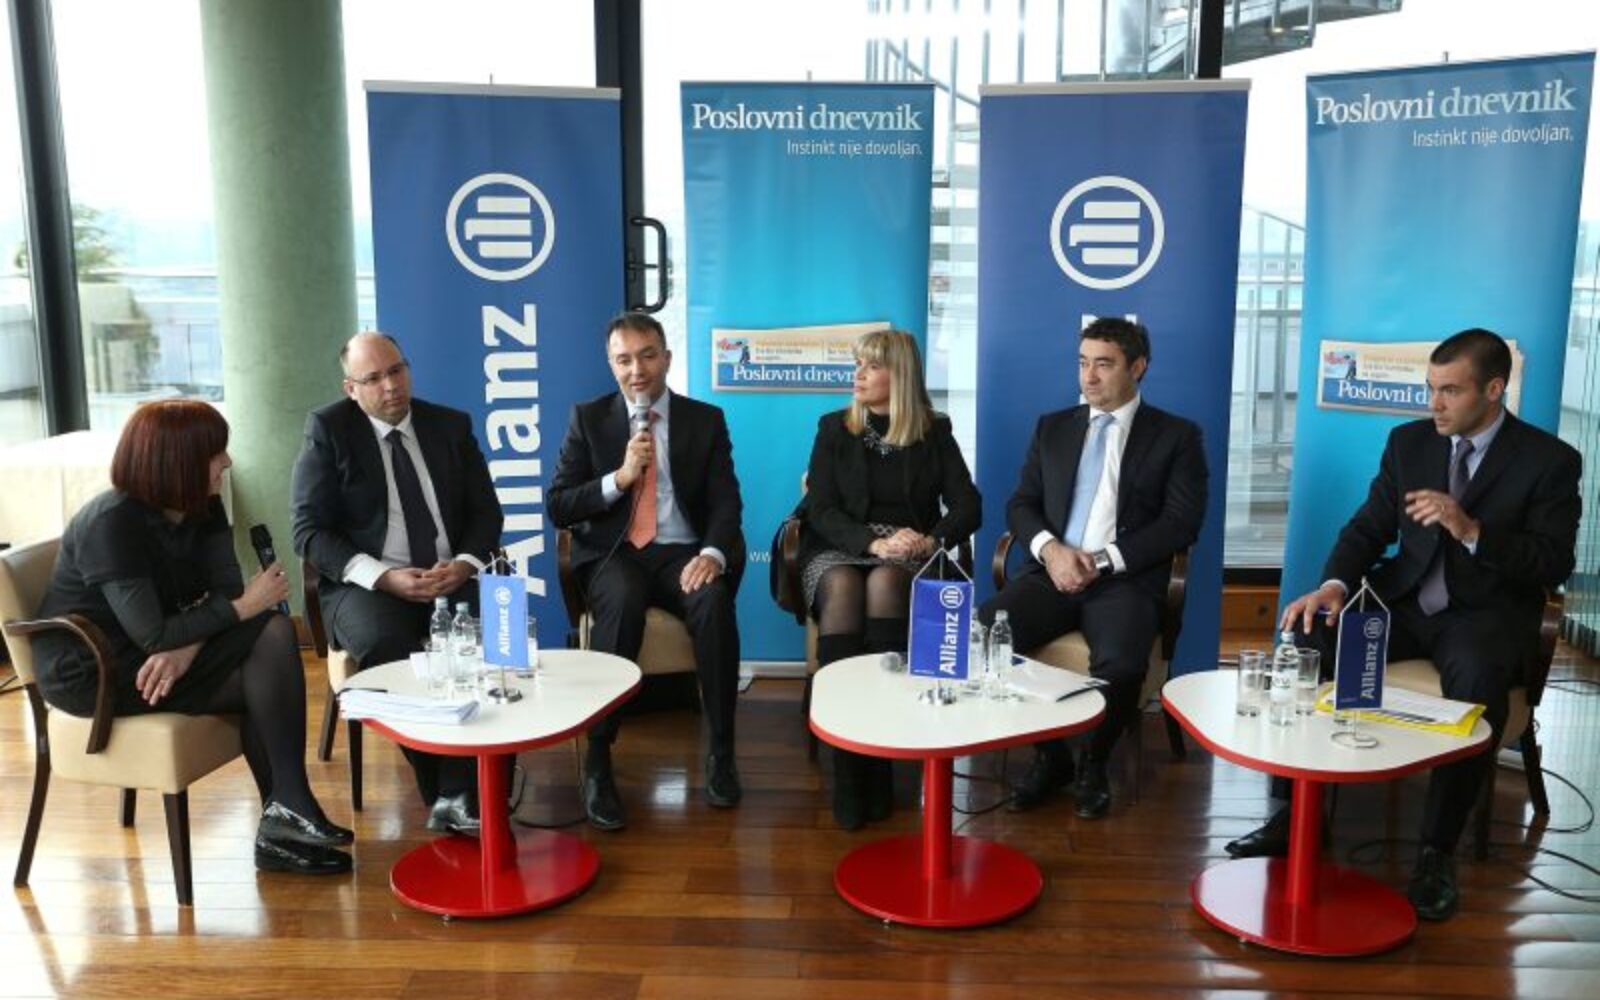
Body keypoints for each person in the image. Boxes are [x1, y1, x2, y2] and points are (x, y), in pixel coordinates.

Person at [1228, 328, 1580, 922]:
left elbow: (1553, 562)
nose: (1433, 404)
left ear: (1494, 389)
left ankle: (1437, 852)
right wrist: (1334, 586)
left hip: (1484, 614)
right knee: (1312, 632)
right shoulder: (1409, 443)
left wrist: (1472, 530)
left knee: (1477, 679)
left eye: (1450, 391)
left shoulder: (1549, 461)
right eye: (1429, 388)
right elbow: (1369, 527)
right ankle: (1296, 814)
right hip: (1407, 603)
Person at [33, 400, 352, 875]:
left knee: (271, 637)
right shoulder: (111, 523)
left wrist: (187, 648)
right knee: (265, 655)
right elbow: (158, 632)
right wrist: (242, 607)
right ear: (176, 462)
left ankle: (288, 812)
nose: (227, 461)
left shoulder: (203, 505)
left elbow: (222, 590)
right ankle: (286, 816)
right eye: (215, 452)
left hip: (158, 650)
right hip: (94, 669)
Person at [979, 317, 1207, 820]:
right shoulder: (1053, 427)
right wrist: (1051, 551)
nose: (1089, 376)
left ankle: (1093, 762)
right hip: (1052, 574)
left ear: (1137, 367)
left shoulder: (1176, 436)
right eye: (1083, 363)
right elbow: (1021, 504)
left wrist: (1102, 561)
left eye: (1104, 364)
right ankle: (1052, 756)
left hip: (1124, 581)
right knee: (985, 636)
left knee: (1123, 665)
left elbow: (1180, 523)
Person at [291, 331, 505, 836]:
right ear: (351, 389)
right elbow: (308, 531)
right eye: (373, 379)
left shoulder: (450, 425)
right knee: (390, 645)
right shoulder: (329, 430)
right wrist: (384, 576)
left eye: (396, 371)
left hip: (449, 575)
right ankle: (450, 792)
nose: (390, 386)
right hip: (369, 584)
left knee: (497, 639)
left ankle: (476, 785)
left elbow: (486, 512)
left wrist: (465, 563)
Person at [550, 312, 746, 831]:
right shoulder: (589, 419)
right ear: (611, 365)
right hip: (614, 553)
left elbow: (725, 502)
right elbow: (559, 505)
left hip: (681, 551)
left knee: (713, 600)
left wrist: (713, 554)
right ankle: (598, 760)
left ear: (667, 358)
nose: (636, 369)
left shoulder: (705, 420)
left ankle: (721, 752)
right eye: (624, 359)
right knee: (621, 600)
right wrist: (618, 478)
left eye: (647, 355)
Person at [797, 329, 980, 829]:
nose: (857, 374)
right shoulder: (834, 428)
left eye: (872, 366)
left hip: (908, 553)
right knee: (842, 584)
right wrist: (870, 543)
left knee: (884, 583)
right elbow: (820, 508)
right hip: (840, 543)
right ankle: (850, 770)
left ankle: (880, 756)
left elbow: (969, 505)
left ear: (899, 376)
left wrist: (931, 539)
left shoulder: (934, 431)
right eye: (857, 364)